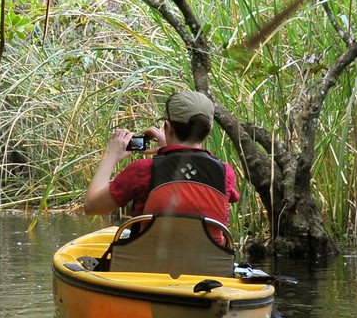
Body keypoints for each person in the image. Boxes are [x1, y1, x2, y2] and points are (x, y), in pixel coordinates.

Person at [83, 89, 240, 226]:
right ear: (209, 130)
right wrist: (169, 151)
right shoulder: (225, 173)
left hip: (151, 252)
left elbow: (91, 206)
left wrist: (111, 156)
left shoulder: (142, 171)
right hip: (206, 253)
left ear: (167, 126)